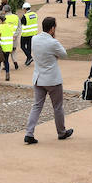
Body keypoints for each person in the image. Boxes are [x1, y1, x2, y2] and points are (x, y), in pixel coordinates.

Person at [24, 16, 73, 144]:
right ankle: (61, 132)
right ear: (52, 29)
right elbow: (64, 55)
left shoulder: (34, 38)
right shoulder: (53, 42)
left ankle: (29, 133)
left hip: (38, 78)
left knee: (37, 106)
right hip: (52, 80)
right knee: (57, 107)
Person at [0, 17, 15, 81]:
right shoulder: (10, 27)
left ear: (0, 20)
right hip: (8, 46)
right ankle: (7, 75)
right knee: (6, 61)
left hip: (1, 46)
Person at [19, 1, 37, 66]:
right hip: (33, 34)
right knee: (29, 47)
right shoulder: (35, 14)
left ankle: (29, 57)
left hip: (25, 34)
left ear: (25, 9)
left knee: (22, 46)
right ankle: (28, 60)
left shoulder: (25, 16)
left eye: (23, 9)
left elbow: (21, 23)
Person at [3, 5, 21, 69]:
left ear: (5, 10)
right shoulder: (16, 17)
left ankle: (6, 65)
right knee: (14, 51)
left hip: (6, 38)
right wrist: (15, 35)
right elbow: (19, 27)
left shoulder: (3, 18)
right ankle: (15, 62)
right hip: (14, 38)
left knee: (5, 52)